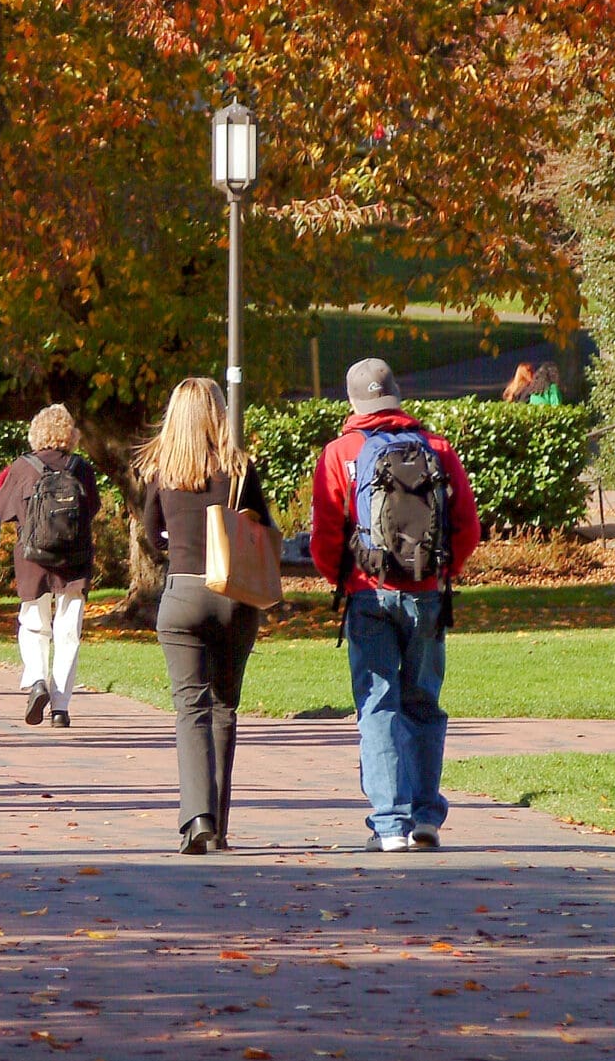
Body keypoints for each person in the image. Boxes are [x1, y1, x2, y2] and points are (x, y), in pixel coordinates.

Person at [309, 358, 481, 852]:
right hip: (427, 595)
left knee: (377, 704)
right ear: (397, 395)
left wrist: (342, 579)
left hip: (368, 595)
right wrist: (441, 571)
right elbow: (466, 527)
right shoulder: (437, 448)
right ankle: (426, 816)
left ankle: (389, 824)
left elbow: (325, 538)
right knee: (423, 701)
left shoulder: (339, 453)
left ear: (353, 403)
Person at [137, 378, 274, 854]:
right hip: (232, 595)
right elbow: (266, 529)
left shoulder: (162, 471)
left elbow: (151, 535)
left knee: (189, 709)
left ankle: (197, 817)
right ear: (219, 413)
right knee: (224, 707)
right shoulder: (237, 470)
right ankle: (220, 824)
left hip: (182, 594)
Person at [0, 404, 100, 728]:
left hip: (32, 557)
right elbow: (91, 508)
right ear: (71, 434)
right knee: (68, 632)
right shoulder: (81, 468)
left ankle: (36, 679)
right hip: (74, 560)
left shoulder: (23, 467)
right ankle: (61, 707)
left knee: (34, 624)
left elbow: (2, 510)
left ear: (36, 432)